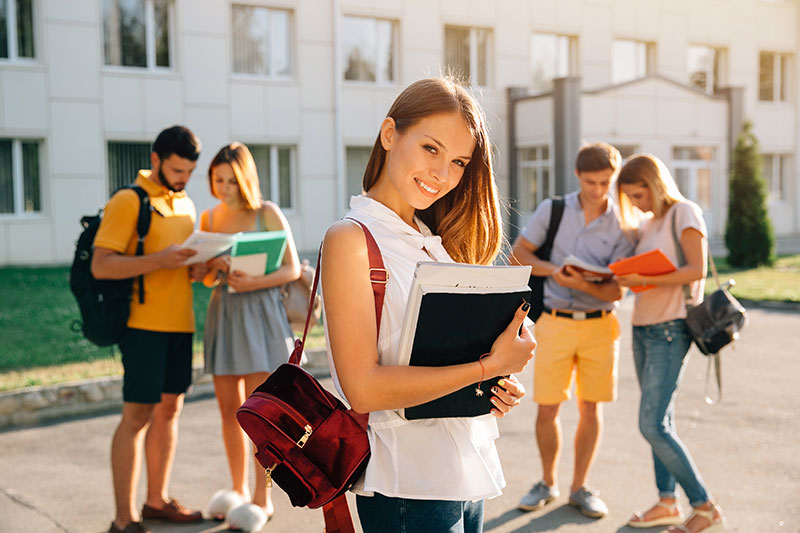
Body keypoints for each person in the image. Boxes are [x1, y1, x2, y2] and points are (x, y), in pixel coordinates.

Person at [320, 77, 535, 533]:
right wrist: (484, 367)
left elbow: (436, 357)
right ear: (389, 134)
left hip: (462, 469)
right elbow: (364, 389)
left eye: (458, 161)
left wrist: (495, 380)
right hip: (406, 482)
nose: (443, 174)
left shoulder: (432, 241)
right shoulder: (351, 239)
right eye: (431, 149)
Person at [510, 142, 635, 519]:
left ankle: (580, 487)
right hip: (555, 323)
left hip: (600, 325)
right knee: (547, 408)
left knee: (590, 408)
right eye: (592, 182)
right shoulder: (554, 209)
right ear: (578, 176)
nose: (599, 190)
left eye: (606, 182)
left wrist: (583, 285)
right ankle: (547, 482)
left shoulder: (623, 222)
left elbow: (618, 289)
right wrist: (557, 271)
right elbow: (520, 255)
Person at [92, 126, 206, 533]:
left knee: (170, 412)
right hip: (141, 327)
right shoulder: (128, 201)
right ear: (155, 159)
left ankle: (156, 501)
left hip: (180, 325)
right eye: (177, 170)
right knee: (137, 415)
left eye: (189, 172)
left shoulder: (186, 204)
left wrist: (203, 267)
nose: (183, 178)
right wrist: (161, 259)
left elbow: (183, 268)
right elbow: (101, 265)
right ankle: (124, 520)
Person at [615, 154, 726, 533]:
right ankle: (667, 502)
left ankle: (705, 506)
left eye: (638, 195)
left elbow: (695, 269)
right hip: (643, 326)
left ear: (655, 183)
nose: (636, 204)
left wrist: (644, 280)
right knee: (662, 420)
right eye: (629, 198)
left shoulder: (684, 212)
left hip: (671, 328)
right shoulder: (650, 223)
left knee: (652, 424)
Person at [200, 142, 301, 526]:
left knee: (257, 414)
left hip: (260, 314)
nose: (223, 187)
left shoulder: (267, 213)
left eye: (229, 179)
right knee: (228, 411)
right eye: (216, 179)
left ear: (245, 178)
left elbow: (291, 269)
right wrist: (212, 266)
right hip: (224, 313)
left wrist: (253, 281)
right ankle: (238, 490)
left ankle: (262, 497)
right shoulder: (209, 217)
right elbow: (206, 277)